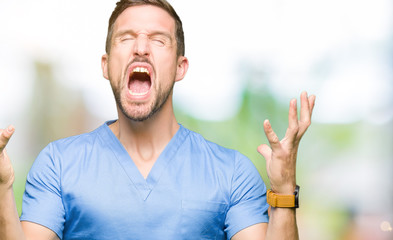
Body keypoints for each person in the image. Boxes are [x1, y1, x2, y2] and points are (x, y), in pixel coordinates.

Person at [0, 0, 316, 239]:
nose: (140, 48)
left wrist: (284, 188)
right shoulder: (57, 164)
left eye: (158, 40)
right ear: (106, 66)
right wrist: (2, 188)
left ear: (181, 67)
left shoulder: (233, 173)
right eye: (126, 38)